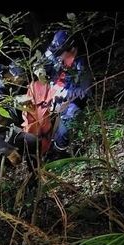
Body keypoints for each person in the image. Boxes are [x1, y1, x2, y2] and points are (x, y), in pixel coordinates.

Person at [44, 30, 92, 158]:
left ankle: (59, 151)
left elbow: (85, 92)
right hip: (55, 94)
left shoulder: (82, 64)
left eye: (60, 53)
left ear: (71, 49)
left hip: (73, 99)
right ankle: (44, 144)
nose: (58, 56)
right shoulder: (57, 58)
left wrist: (66, 93)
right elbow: (46, 61)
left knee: (66, 122)